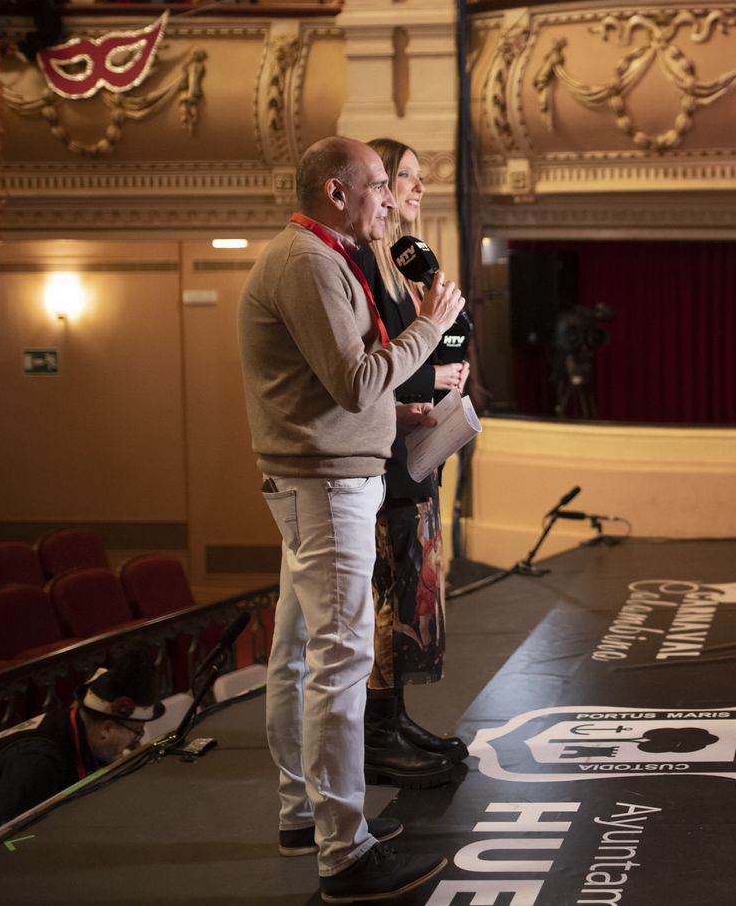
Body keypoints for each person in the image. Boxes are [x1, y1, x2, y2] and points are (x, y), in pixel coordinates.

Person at [238, 135, 464, 901]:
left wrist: (395, 407)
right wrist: (428, 327)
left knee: (299, 650)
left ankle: (304, 815)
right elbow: (352, 379)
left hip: (321, 478)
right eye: (378, 185)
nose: (389, 199)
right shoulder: (307, 262)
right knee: (339, 663)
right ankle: (345, 853)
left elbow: (345, 384)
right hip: (326, 487)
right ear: (337, 192)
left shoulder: (319, 257)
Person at [352, 137, 470, 787]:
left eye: (420, 179)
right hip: (384, 455)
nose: (416, 190)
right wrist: (430, 378)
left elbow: (452, 328)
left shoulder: (405, 259)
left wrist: (452, 363)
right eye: (405, 176)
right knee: (384, 604)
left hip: (415, 456)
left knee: (408, 601)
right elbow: (381, 362)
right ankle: (378, 733)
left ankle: (396, 719)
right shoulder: (364, 266)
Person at [0, 654, 162, 842]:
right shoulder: (36, 761)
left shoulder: (69, 725)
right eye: (137, 732)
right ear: (107, 729)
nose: (137, 742)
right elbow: (4, 845)